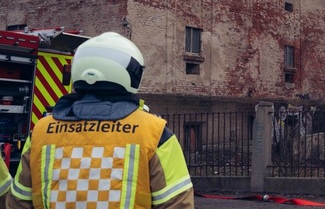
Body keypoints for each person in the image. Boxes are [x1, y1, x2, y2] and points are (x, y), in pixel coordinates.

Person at [7, 32, 194, 209]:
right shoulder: (154, 133)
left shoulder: (41, 132)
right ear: (133, 73)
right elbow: (177, 203)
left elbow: (19, 202)